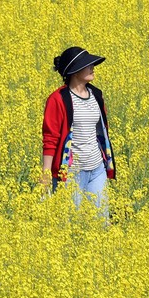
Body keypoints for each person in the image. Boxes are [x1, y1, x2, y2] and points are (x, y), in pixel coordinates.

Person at [41, 46, 117, 218]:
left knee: (101, 221)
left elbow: (102, 130)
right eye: (87, 65)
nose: (92, 67)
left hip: (97, 169)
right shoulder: (58, 99)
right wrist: (46, 174)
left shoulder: (96, 94)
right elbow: (50, 139)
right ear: (74, 71)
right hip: (71, 172)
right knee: (69, 223)